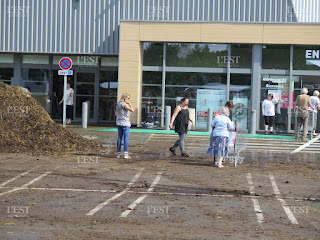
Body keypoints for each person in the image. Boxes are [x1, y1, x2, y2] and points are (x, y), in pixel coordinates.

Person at [116, 93, 134, 159]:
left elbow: (116, 113)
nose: (129, 100)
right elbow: (132, 110)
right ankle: (126, 154)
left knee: (119, 138)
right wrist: (129, 103)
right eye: (128, 98)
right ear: (125, 98)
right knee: (126, 138)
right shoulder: (124, 104)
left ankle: (118, 153)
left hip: (119, 122)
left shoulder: (118, 104)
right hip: (125, 123)